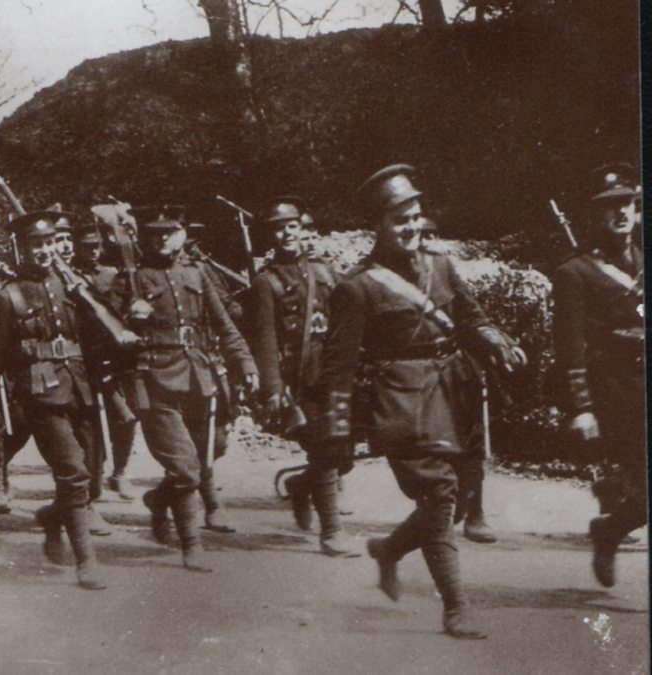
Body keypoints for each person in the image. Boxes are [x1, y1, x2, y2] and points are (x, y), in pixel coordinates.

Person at [317, 164, 525, 639]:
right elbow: (339, 369)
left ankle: (389, 550)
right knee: (437, 498)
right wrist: (336, 433)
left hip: (454, 394)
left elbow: (472, 318)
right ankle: (456, 606)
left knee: (450, 501)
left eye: (414, 216)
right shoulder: (357, 287)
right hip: (402, 404)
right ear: (376, 226)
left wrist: (494, 340)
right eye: (398, 220)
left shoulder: (442, 264)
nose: (411, 228)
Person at [0, 211, 109, 590]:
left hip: (81, 389)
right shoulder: (7, 296)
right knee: (73, 471)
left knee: (92, 472)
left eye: (49, 243)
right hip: (40, 395)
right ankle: (86, 560)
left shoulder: (74, 288)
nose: (45, 251)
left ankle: (53, 517)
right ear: (22, 248)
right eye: (37, 244)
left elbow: (97, 340)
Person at [115, 205, 259, 571]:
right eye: (154, 232)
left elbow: (224, 324)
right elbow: (109, 333)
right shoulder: (131, 279)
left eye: (170, 230)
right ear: (143, 237)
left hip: (198, 376)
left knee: (214, 448)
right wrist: (130, 319)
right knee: (185, 470)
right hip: (155, 380)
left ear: (181, 233)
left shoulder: (197, 273)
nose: (163, 237)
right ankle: (190, 543)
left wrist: (245, 363)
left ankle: (160, 500)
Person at [550, 162, 646, 588]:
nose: (621, 213)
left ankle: (610, 529)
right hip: (616, 394)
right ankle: (611, 527)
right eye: (611, 206)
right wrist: (582, 407)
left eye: (628, 204)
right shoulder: (575, 273)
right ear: (594, 215)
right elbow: (569, 346)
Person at [245, 196, 356, 555]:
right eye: (279, 229)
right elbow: (265, 339)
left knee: (343, 449)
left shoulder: (326, 270)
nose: (287, 233)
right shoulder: (267, 282)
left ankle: (299, 485)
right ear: (271, 236)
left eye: (292, 226)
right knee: (326, 447)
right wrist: (273, 388)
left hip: (334, 371)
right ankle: (332, 533)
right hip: (300, 377)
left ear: (301, 228)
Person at [73, 220, 139, 502]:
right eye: (86, 247)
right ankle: (95, 474)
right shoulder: (70, 276)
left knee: (125, 417)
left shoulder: (113, 274)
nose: (92, 252)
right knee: (90, 422)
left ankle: (120, 472)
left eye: (96, 246)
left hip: (116, 357)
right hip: (85, 357)